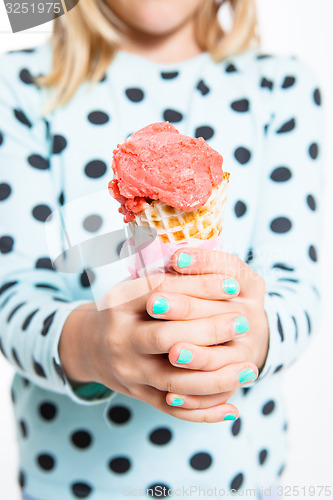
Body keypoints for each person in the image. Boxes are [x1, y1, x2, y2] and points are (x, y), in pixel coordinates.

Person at [0, 0, 324, 499]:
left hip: (238, 481)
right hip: (70, 483)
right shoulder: (19, 85)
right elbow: (14, 297)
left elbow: (297, 288)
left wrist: (252, 336)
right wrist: (93, 346)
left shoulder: (283, 90)